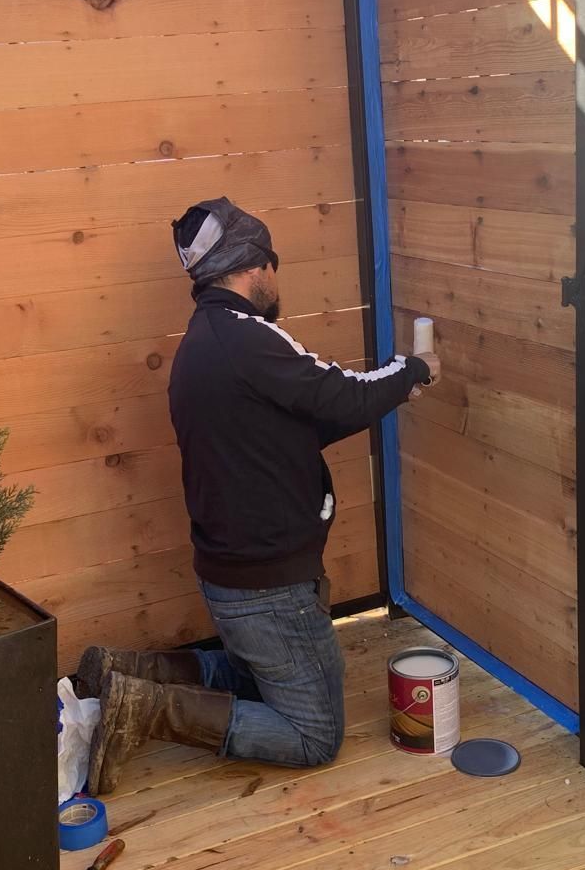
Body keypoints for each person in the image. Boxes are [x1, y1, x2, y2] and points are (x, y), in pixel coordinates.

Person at [80, 197, 439, 792]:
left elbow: (306, 420)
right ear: (256, 266)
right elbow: (341, 392)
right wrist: (413, 370)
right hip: (270, 587)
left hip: (233, 576)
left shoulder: (206, 344)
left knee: (254, 678)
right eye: (275, 265)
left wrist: (395, 391)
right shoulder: (250, 338)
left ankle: (132, 671)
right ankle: (145, 708)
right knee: (314, 734)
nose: (277, 279)